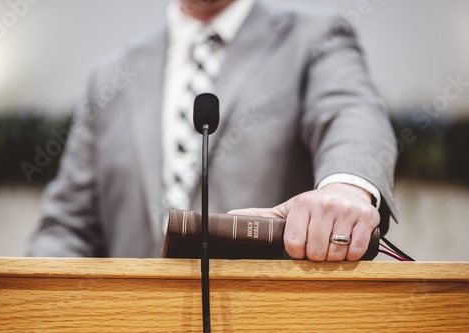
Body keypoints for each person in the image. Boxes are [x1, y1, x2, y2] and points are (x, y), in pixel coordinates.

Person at [27, 0, 398, 261]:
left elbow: (350, 112)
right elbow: (65, 227)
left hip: (268, 314)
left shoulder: (313, 37)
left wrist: (346, 188)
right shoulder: (109, 77)